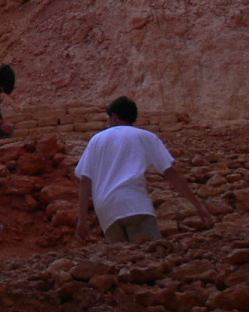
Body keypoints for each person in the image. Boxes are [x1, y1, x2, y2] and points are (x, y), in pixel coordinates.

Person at [75, 96, 214, 243]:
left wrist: (82, 220)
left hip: (107, 213)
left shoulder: (96, 140)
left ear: (114, 117)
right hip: (136, 206)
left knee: (123, 262)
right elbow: (170, 173)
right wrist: (198, 205)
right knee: (150, 257)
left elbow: (85, 180)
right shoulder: (146, 137)